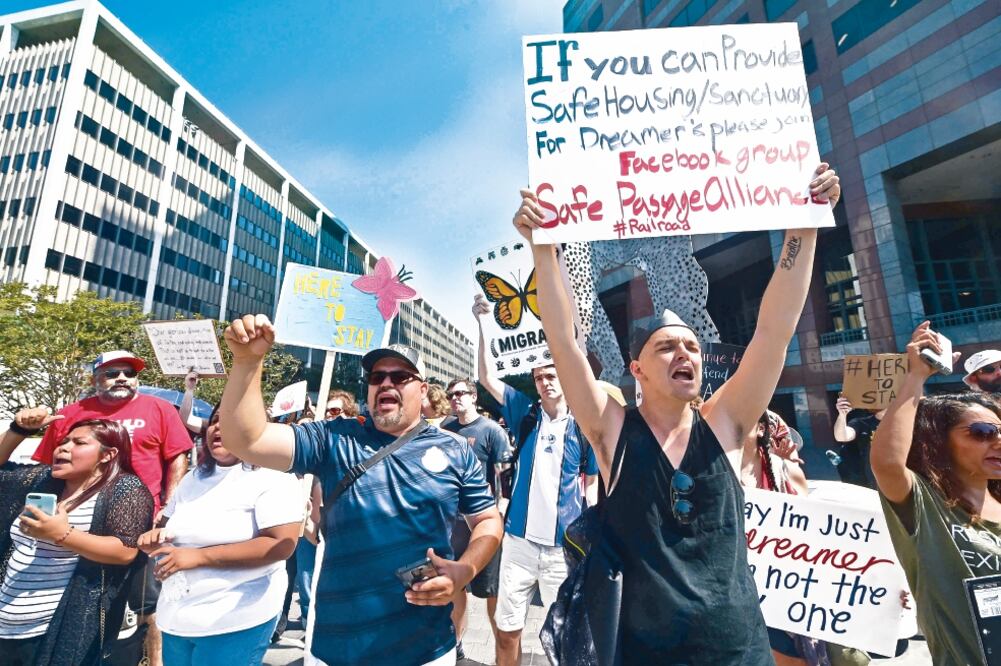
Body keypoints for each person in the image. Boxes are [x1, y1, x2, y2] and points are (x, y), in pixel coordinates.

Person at [512, 162, 840, 663]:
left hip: (739, 650)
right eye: (666, 348)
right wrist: (543, 247)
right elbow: (563, 341)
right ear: (637, 370)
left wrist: (804, 227)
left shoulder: (727, 423)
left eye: (691, 345)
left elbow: (776, 329)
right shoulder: (611, 429)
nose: (685, 353)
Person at [218, 325, 504, 666]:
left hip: (425, 647)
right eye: (376, 377)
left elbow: (487, 519)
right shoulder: (333, 438)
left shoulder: (455, 449)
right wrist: (247, 362)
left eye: (400, 376)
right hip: (338, 647)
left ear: (423, 390)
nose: (385, 383)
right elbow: (245, 441)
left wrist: (466, 570)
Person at [29, 350, 192, 666]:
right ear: (95, 378)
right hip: (75, 518)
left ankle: (154, 661)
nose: (122, 378)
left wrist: (169, 507)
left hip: (143, 521)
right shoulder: (68, 414)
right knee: (76, 597)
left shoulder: (159, 409)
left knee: (147, 603)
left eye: (129, 373)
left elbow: (177, 457)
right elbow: (48, 466)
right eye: (112, 372)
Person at [473, 295, 599, 666]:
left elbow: (590, 483)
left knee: (565, 635)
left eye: (551, 375)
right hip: (519, 545)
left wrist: (587, 531)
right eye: (539, 377)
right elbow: (485, 377)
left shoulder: (583, 426)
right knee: (508, 628)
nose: (544, 382)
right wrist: (482, 322)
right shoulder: (524, 413)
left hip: (563, 550)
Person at [871, 321, 999, 665]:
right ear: (940, 443)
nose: (998, 442)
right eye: (983, 432)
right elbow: (887, 464)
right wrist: (915, 376)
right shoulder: (927, 508)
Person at [138, 404, 302, 666]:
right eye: (214, 420)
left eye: (231, 421)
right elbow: (167, 527)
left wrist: (199, 558)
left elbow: (280, 545)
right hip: (177, 617)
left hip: (234, 620)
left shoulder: (274, 478)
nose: (218, 427)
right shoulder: (193, 478)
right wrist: (155, 539)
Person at [0, 409, 153, 665]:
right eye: (62, 442)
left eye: (79, 443)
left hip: (55, 628)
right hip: (7, 622)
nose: (63, 448)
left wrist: (62, 534)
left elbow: (125, 551)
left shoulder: (125, 488)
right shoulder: (41, 480)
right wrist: (19, 431)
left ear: (108, 455)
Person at [442, 377, 512, 655]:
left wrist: (500, 516)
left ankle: (501, 650)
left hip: (482, 523)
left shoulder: (491, 430)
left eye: (460, 393)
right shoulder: (446, 429)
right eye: (451, 395)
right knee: (454, 589)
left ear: (474, 397)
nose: (455, 398)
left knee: (490, 590)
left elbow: (504, 477)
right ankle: (456, 645)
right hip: (451, 524)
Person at [833, 396, 884, 489]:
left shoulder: (905, 422)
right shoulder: (861, 423)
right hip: (872, 484)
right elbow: (841, 436)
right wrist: (842, 414)